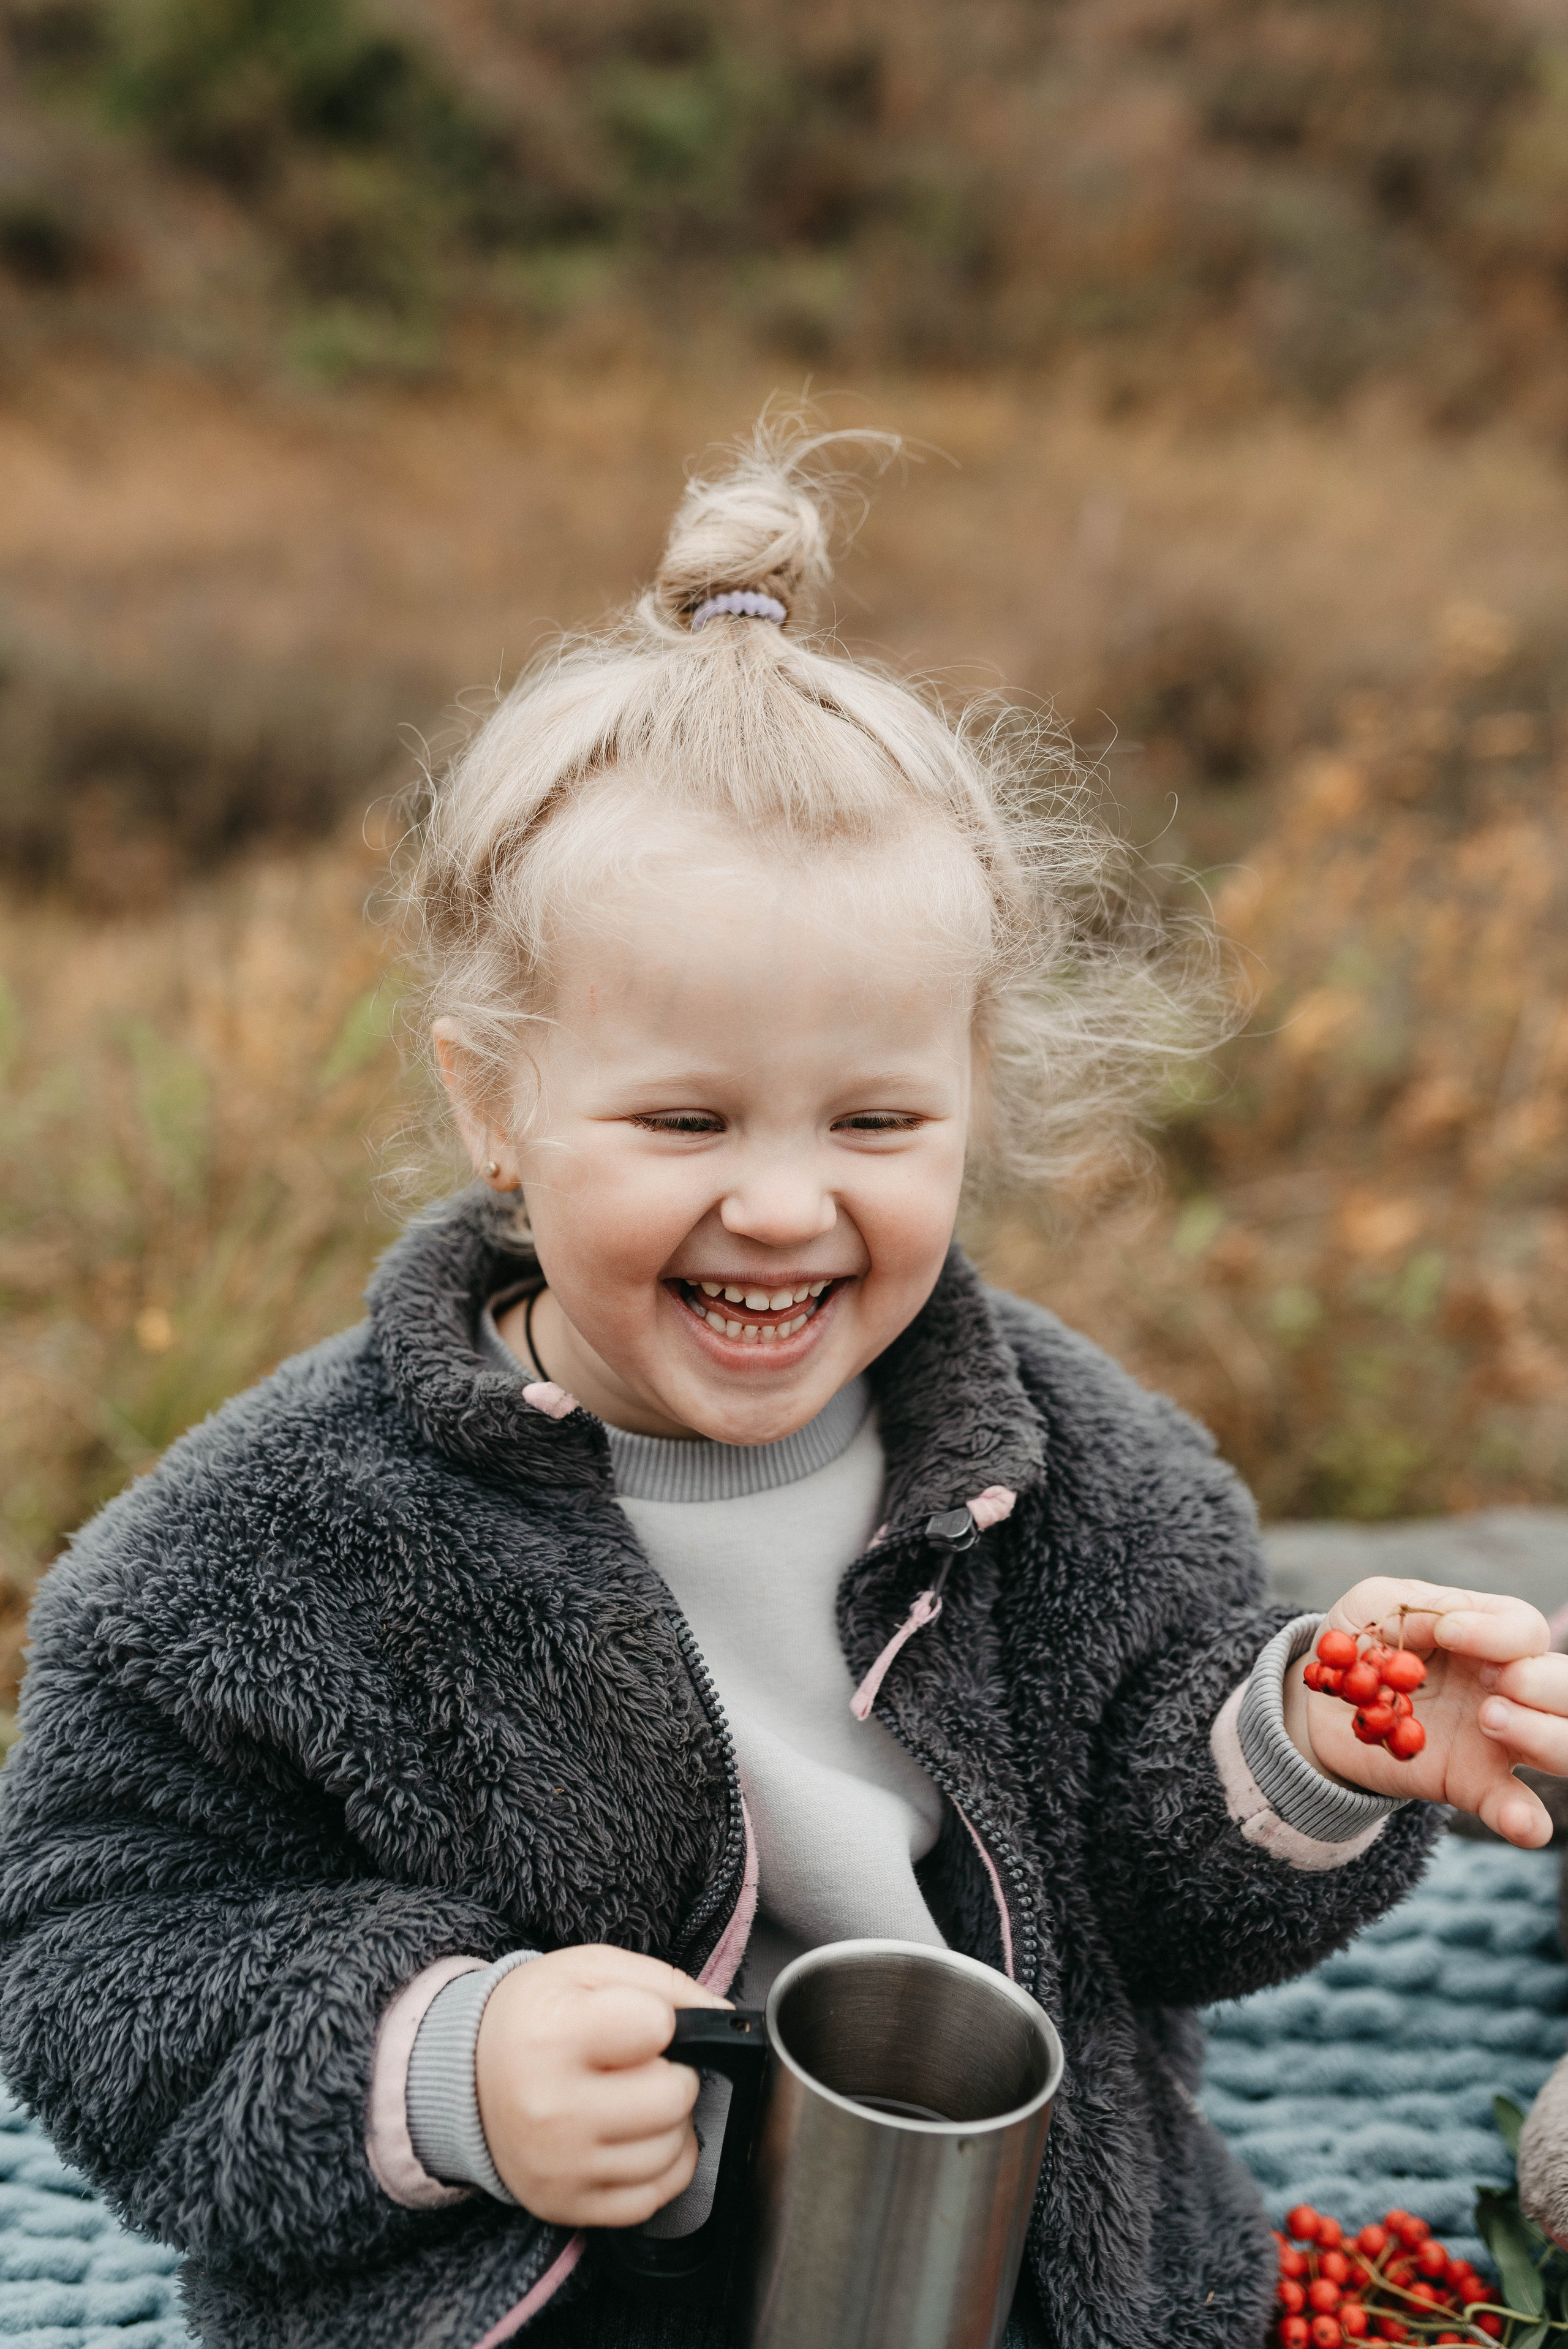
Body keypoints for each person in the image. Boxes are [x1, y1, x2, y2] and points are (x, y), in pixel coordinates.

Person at [2, 424, 1566, 2349]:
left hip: (1013, 2264)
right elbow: (100, 1936)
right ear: (494, 1096)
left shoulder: (1081, 1469)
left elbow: (1167, 1898)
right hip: (526, 2287)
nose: (779, 1200)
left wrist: (1316, 1740)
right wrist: (447, 2069)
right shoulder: (274, 1546)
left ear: (972, 1092)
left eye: (878, 1117)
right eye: (682, 1116)